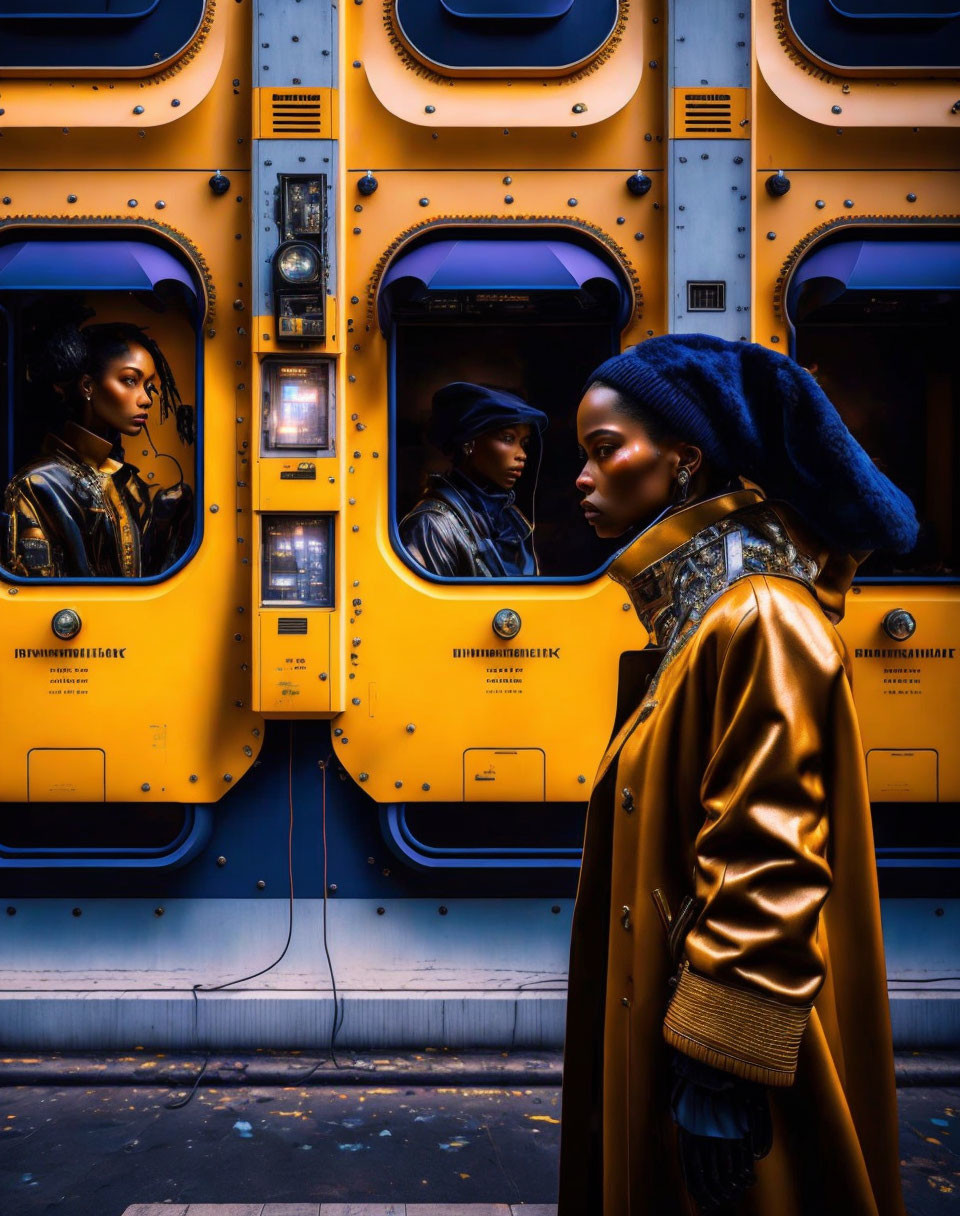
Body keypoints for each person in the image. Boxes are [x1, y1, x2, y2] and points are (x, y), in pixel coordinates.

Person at [558, 333, 915, 1216]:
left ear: (683, 462)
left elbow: (771, 853)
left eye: (606, 451)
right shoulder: (708, 612)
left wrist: (721, 1061)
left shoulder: (757, 616)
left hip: (723, 1059)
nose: (582, 476)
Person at [2, 322, 194, 578]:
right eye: (129, 381)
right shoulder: (39, 484)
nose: (146, 399)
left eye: (147, 386)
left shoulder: (128, 484)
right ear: (87, 386)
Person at [399, 381, 548, 577]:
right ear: (470, 442)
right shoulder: (431, 525)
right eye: (508, 439)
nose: (522, 454)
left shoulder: (509, 519)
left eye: (524, 443)